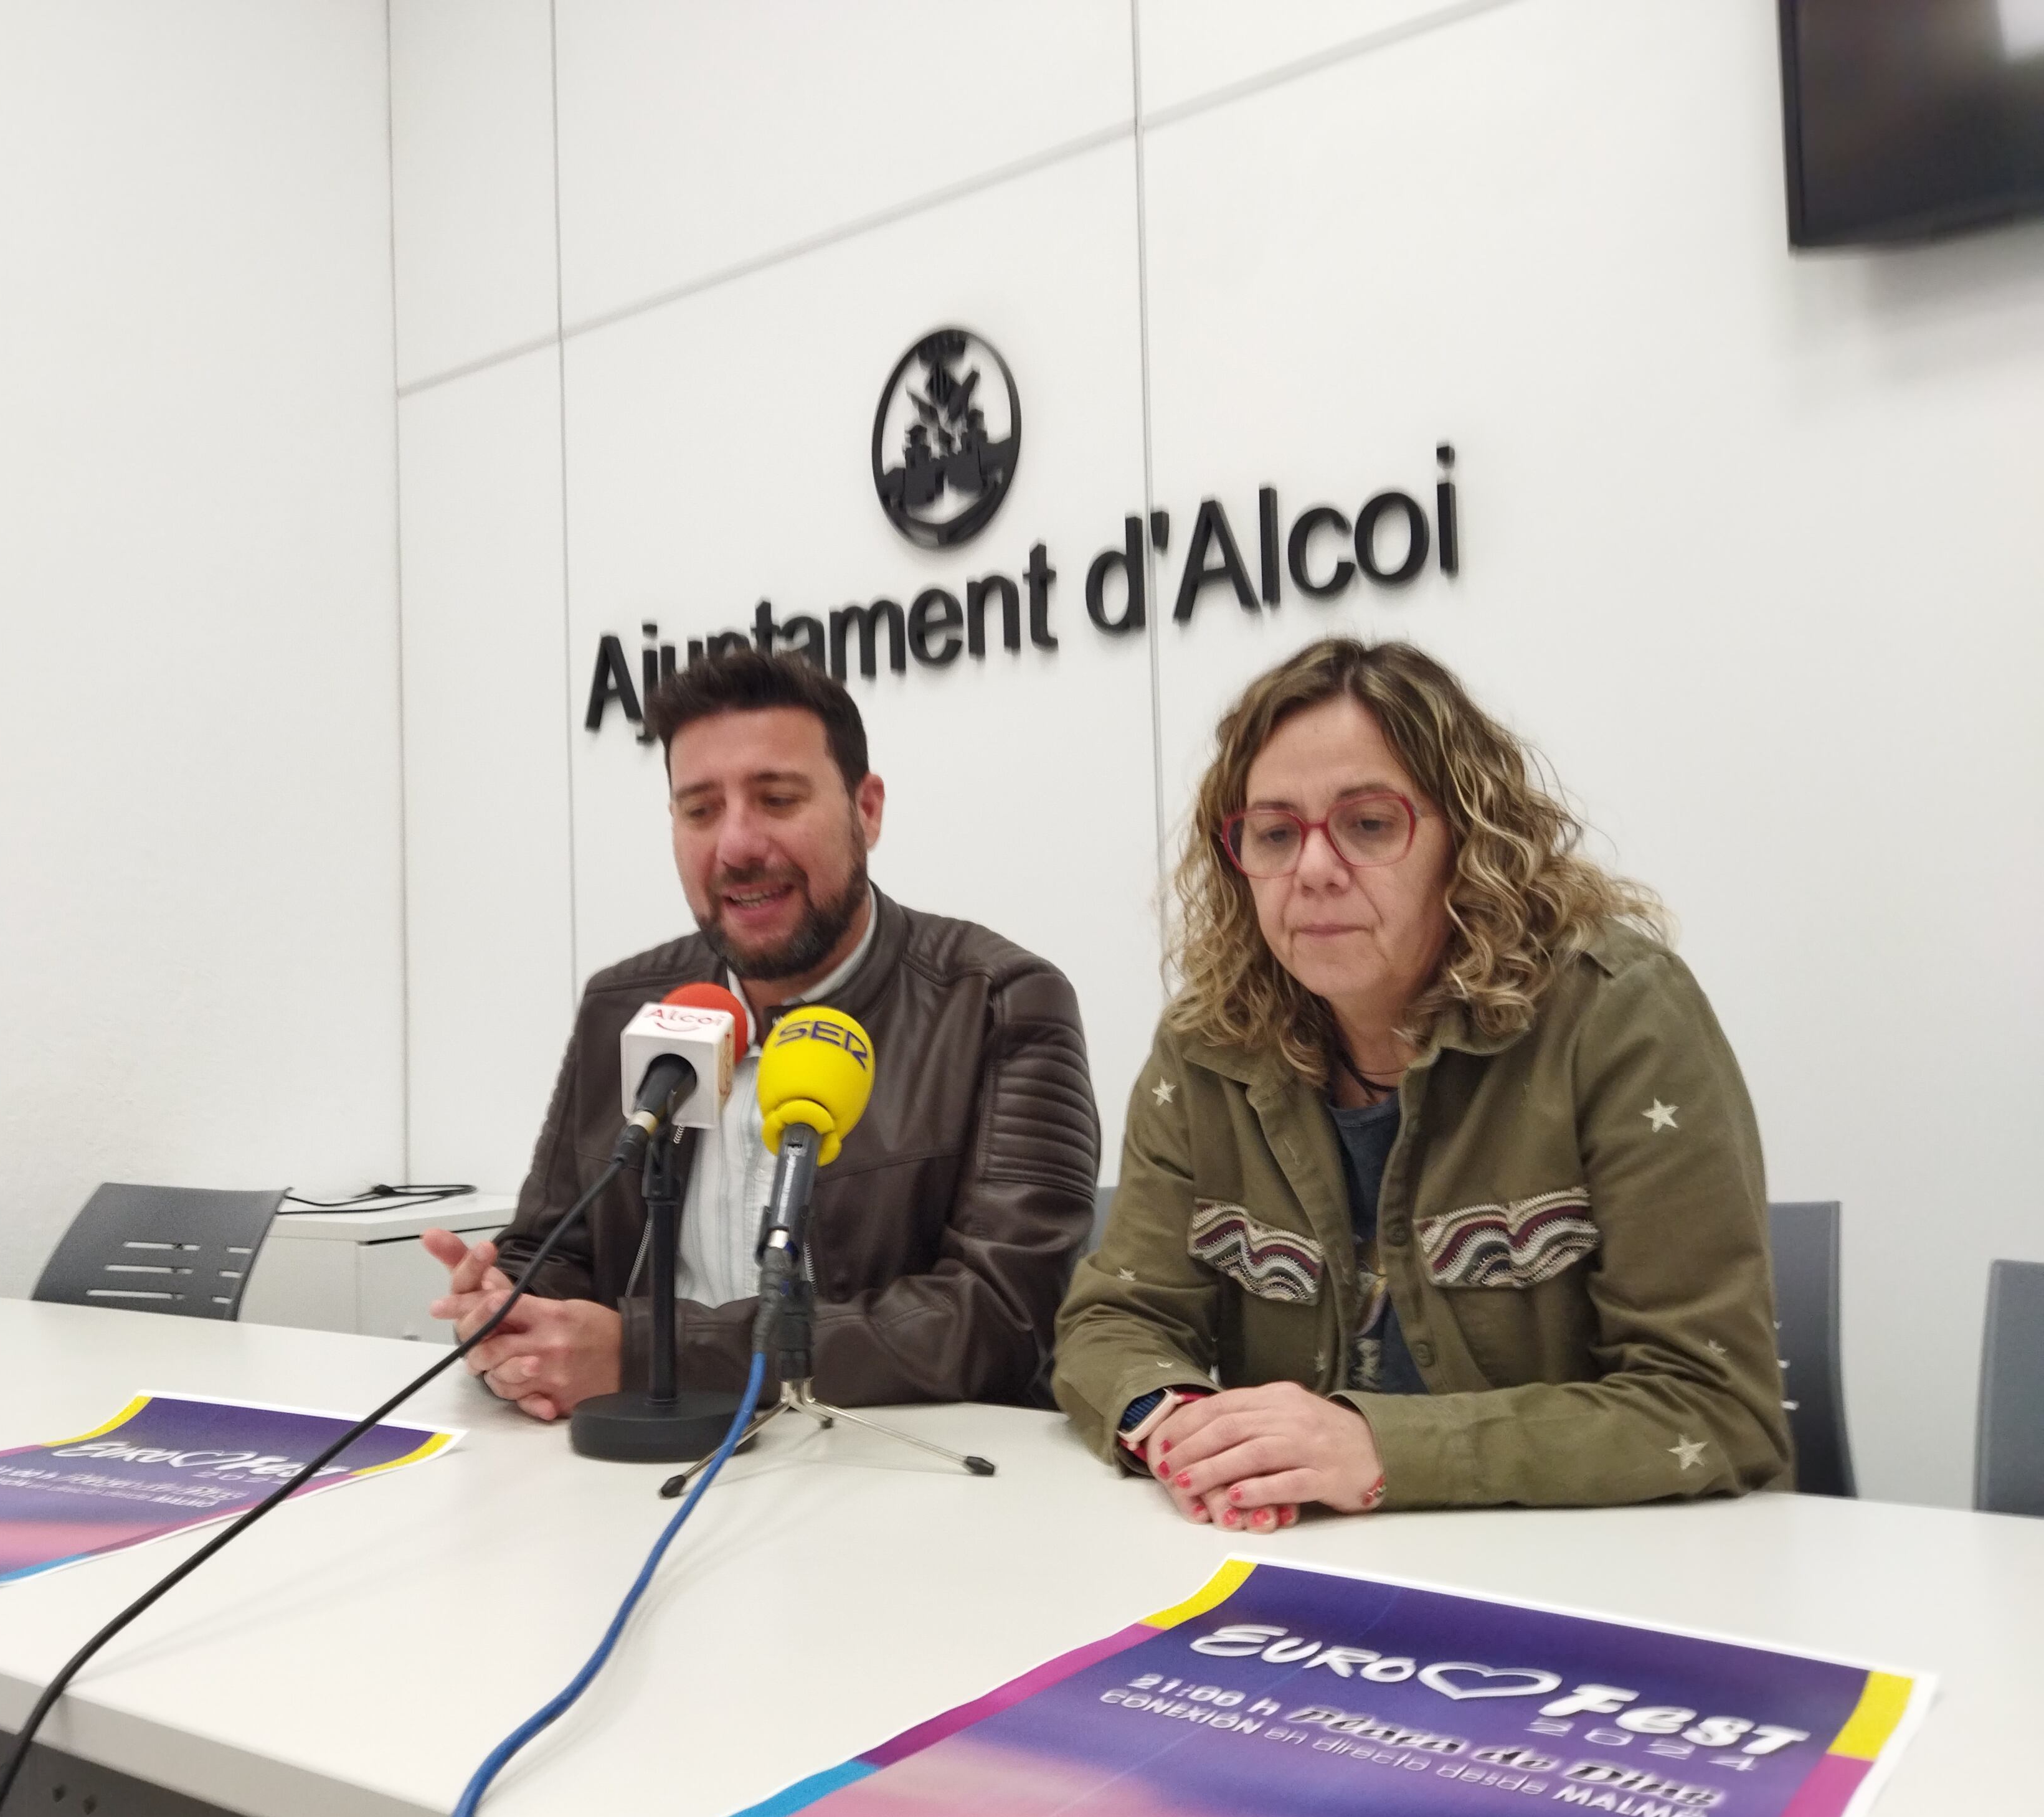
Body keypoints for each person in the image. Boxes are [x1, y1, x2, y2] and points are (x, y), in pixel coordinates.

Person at [1054, 638, 1791, 1530]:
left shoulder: (1616, 1016)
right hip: (1302, 1574)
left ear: (1469, 841)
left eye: (1368, 824)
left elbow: (1713, 1408)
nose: (1314, 869)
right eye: (1276, 834)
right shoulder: (1209, 1043)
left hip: (1597, 1579)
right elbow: (1115, 1321)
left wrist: (1380, 1449)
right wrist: (1174, 1426)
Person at [426, 649, 1099, 1419]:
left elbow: (999, 1320)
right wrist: (508, 1312)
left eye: (777, 800)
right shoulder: (622, 1003)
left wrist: (645, 1356)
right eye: (700, 810)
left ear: (866, 810)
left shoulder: (998, 1001)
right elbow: (554, 1252)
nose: (737, 846)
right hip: (632, 1469)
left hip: (894, 1474)